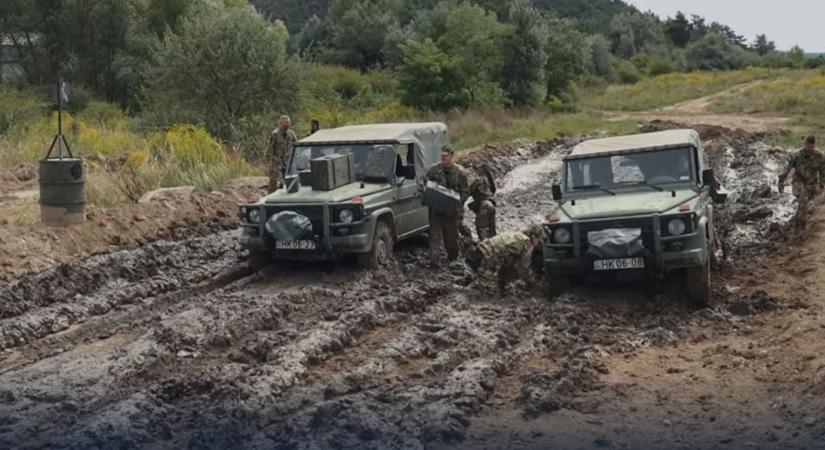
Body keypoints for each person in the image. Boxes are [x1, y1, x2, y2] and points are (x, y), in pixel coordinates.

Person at [464, 225, 544, 295]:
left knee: (507, 265)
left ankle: (473, 280)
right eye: (539, 240)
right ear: (533, 237)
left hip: (475, 253)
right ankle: (466, 291)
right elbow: (523, 267)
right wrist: (531, 283)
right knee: (488, 293)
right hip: (485, 259)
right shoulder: (526, 243)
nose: (539, 243)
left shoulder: (516, 234)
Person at [424, 145, 470, 265]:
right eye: (442, 156)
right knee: (435, 235)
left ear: (451, 156)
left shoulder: (460, 172)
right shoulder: (433, 170)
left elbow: (465, 191)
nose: (443, 158)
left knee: (452, 236)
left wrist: (456, 202)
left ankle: (453, 258)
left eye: (446, 156)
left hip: (452, 211)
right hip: (436, 209)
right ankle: (435, 260)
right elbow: (424, 185)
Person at [778, 135, 825, 230]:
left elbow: (823, 172)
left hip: (811, 184)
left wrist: (821, 185)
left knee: (805, 204)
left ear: (814, 146)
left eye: (811, 147)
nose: (808, 149)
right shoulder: (796, 155)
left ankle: (799, 218)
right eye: (807, 146)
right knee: (803, 199)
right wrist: (781, 182)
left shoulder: (819, 156)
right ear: (804, 144)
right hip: (798, 182)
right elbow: (787, 169)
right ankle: (800, 226)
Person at [266, 115, 298, 193]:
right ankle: (269, 198)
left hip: (288, 162)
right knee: (274, 182)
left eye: (288, 122)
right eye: (285, 122)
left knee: (288, 181)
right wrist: (269, 163)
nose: (287, 124)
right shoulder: (275, 134)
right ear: (280, 123)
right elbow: (269, 149)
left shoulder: (291, 134)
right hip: (276, 162)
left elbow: (296, 146)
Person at [468, 164, 497, 240]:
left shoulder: (478, 180)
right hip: (491, 205)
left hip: (484, 206)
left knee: (481, 228)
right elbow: (493, 190)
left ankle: (485, 247)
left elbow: (469, 191)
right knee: (492, 229)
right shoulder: (488, 180)